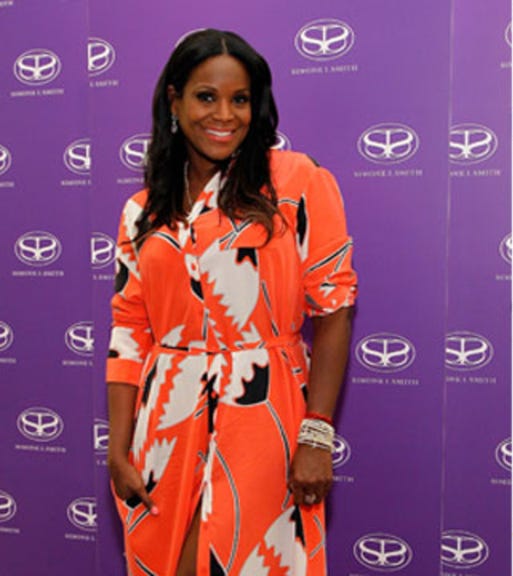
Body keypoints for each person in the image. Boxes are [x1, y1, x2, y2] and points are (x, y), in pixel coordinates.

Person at [106, 29, 357, 576]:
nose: (224, 114)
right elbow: (128, 332)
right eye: (206, 97)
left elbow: (335, 309)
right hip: (166, 419)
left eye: (239, 99)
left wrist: (317, 433)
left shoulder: (296, 181)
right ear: (174, 101)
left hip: (263, 413)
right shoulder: (142, 211)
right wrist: (118, 450)